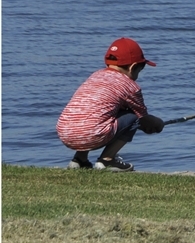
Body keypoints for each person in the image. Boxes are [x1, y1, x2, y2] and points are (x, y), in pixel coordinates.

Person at [56, 37, 165, 171]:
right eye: (139, 70)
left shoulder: (95, 76)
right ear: (133, 67)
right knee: (133, 116)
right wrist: (158, 124)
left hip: (65, 133)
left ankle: (80, 160)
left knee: (96, 116)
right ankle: (107, 160)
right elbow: (142, 117)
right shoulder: (131, 87)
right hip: (91, 135)